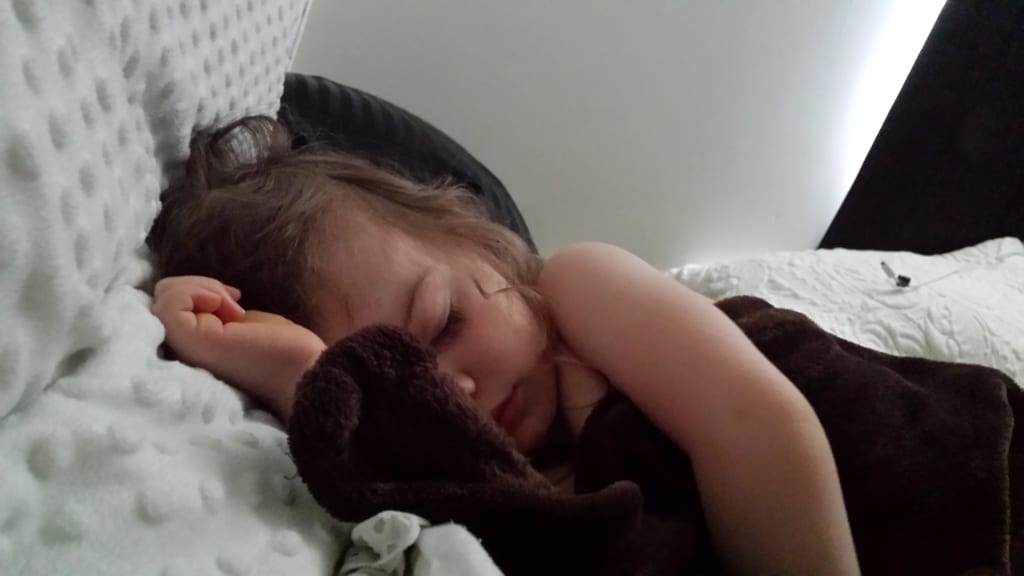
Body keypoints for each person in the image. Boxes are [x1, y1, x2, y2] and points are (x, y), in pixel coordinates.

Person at [149, 116, 861, 575]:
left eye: (445, 323)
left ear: (479, 240)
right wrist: (305, 377)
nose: (452, 392)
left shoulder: (582, 288)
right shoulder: (472, 491)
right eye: (404, 390)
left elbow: (753, 425)